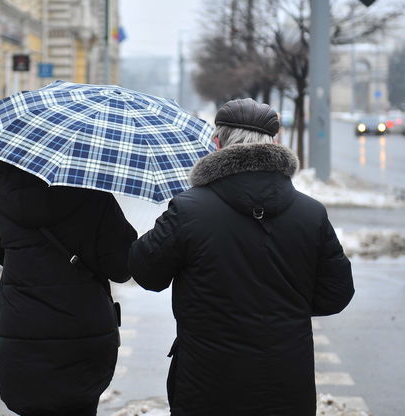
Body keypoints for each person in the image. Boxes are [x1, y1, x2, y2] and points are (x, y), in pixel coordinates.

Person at [128, 98, 355, 415]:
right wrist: (285, 309)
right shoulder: (310, 213)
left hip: (207, 384)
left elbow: (147, 273)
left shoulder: (189, 209)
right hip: (286, 383)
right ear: (274, 143)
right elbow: (336, 294)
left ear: (217, 143)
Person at [0, 161, 136, 416]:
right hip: (83, 337)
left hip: (23, 336)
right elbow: (122, 267)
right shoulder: (94, 196)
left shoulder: (0, 200)